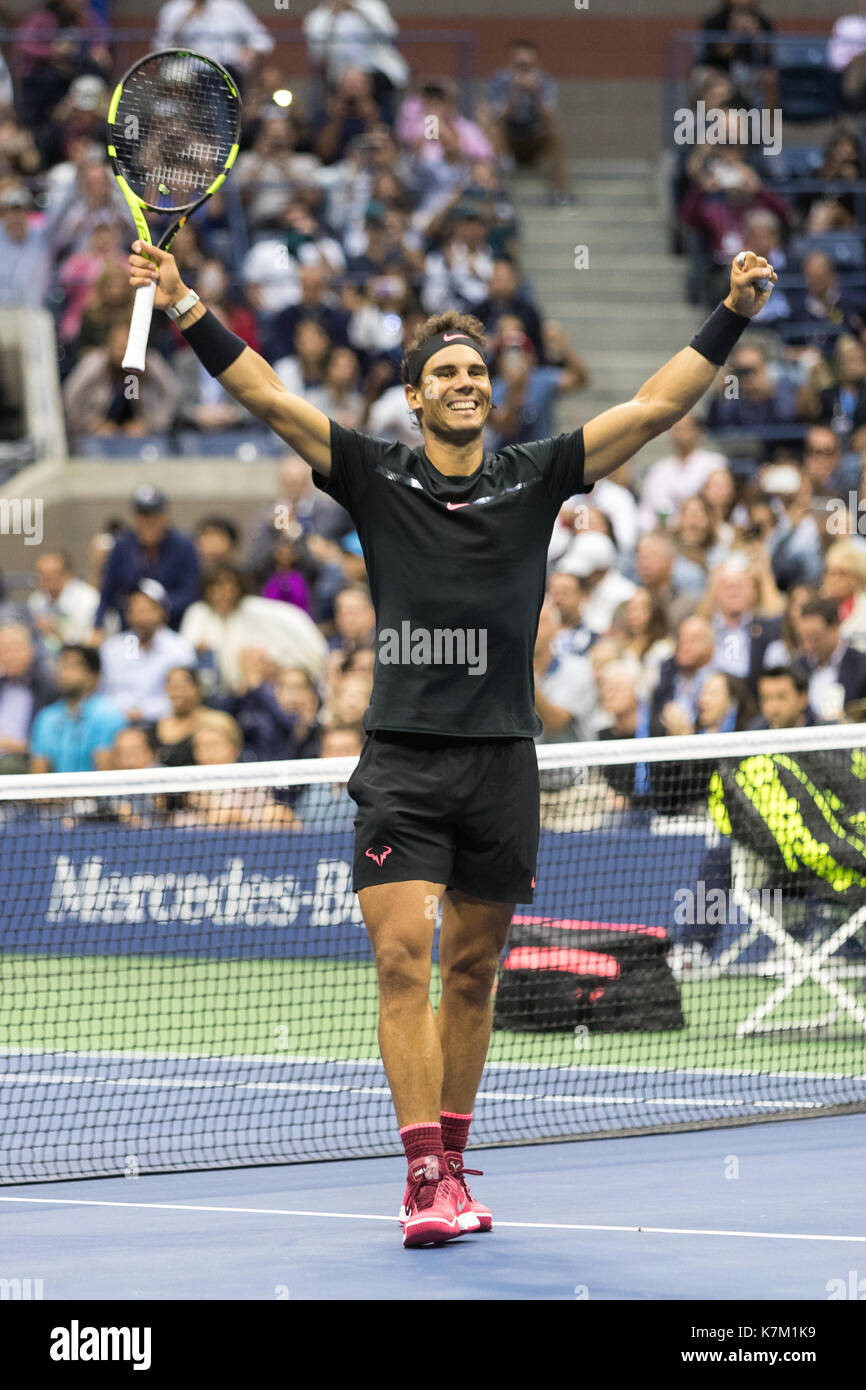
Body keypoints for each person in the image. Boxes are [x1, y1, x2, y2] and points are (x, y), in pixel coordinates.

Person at [128, 227, 777, 1246]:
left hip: (501, 762)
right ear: (415, 396)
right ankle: (423, 1176)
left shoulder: (536, 472)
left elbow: (653, 408)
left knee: (472, 972)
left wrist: (732, 310)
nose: (466, 381)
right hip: (401, 758)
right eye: (445, 371)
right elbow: (265, 397)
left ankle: (457, 1160)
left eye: (476, 368)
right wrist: (181, 302)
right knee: (400, 961)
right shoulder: (373, 475)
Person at [179, 564, 327, 693]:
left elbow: (297, 631)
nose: (223, 593)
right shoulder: (198, 614)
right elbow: (186, 654)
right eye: (217, 587)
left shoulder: (258, 611)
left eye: (229, 587)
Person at [94, 485, 201, 635]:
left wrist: (158, 607)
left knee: (173, 656)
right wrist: (97, 626)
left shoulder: (184, 546)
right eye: (143, 515)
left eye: (154, 515)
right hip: (131, 629)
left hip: (173, 628)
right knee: (129, 655)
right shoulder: (122, 547)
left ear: (164, 516)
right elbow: (108, 591)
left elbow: (191, 591)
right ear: (135, 518)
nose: (148, 522)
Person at [485, 40, 573, 205]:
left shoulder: (545, 81)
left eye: (528, 65)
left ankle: (560, 191)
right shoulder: (500, 80)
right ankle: (498, 190)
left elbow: (550, 117)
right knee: (492, 128)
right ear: (511, 63)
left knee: (555, 132)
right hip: (508, 142)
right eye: (520, 64)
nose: (524, 69)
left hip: (534, 139)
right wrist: (514, 92)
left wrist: (536, 93)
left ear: (537, 63)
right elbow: (497, 117)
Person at [98, 581, 197, 722]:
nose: (141, 617)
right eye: (135, 610)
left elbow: (184, 697)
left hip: (164, 722)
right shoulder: (113, 648)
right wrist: (122, 712)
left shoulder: (179, 648)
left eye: (147, 609)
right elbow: (103, 693)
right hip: (118, 721)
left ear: (162, 612)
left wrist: (145, 712)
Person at [30, 644, 126, 773]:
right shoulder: (46, 717)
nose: (64, 672)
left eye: (73, 666)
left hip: (95, 791)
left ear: (93, 676)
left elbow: (106, 775)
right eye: (61, 665)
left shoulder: (107, 715)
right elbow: (39, 771)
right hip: (56, 791)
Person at [637, 414, 728, 532]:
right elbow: (646, 511)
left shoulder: (715, 464)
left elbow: (721, 505)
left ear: (699, 432)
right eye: (676, 429)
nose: (680, 434)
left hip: (706, 531)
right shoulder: (659, 469)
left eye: (685, 428)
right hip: (666, 534)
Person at [795, 596, 866, 720]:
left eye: (816, 638)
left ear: (835, 626)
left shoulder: (861, 666)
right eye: (804, 638)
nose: (809, 646)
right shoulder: (797, 668)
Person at [0, 623, 56, 772]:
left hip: (25, 759)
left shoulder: (49, 687)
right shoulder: (2, 685)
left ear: (32, 650)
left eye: (15, 649)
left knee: (8, 766)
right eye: (4, 649)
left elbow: (57, 739)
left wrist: (22, 746)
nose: (9, 655)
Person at [27, 550, 100, 653]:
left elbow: (93, 640)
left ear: (68, 574)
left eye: (54, 573)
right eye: (42, 574)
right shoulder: (36, 600)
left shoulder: (88, 599)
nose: (47, 579)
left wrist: (59, 636)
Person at [148, 665, 207, 767]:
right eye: (171, 686)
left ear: (196, 687)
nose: (176, 692)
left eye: (181, 686)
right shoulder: (158, 725)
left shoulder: (211, 722)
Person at [752, 665, 818, 730]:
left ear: (803, 698)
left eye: (781, 697)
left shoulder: (821, 730)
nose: (773, 705)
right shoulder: (752, 733)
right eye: (766, 698)